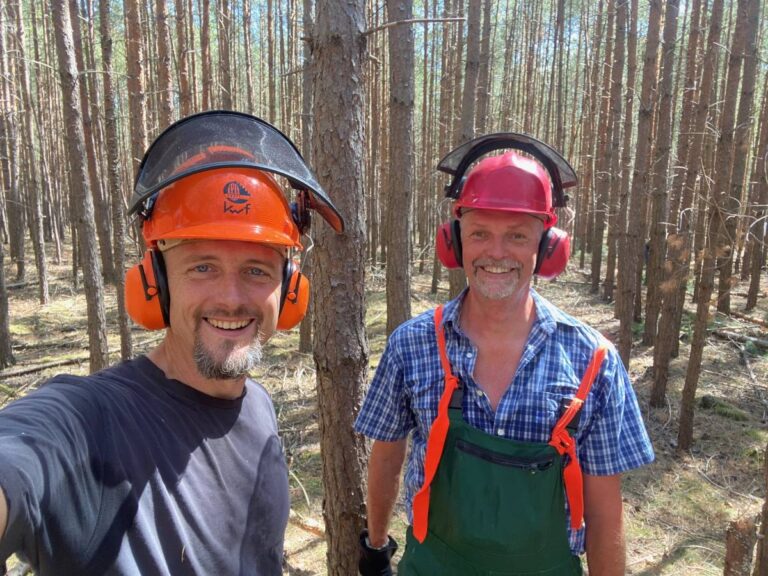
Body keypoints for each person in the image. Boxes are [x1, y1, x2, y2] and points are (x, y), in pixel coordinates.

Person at [0, 111, 344, 575]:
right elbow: (22, 455)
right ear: (155, 284)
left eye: (256, 270)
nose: (230, 298)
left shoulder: (258, 407)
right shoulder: (92, 421)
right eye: (202, 267)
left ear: (289, 291)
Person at [355, 135, 654, 576]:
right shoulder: (411, 344)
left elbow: (606, 510)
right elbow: (387, 454)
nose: (496, 253)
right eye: (480, 233)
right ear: (455, 242)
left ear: (548, 247)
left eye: (516, 235)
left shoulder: (595, 363)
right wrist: (376, 548)